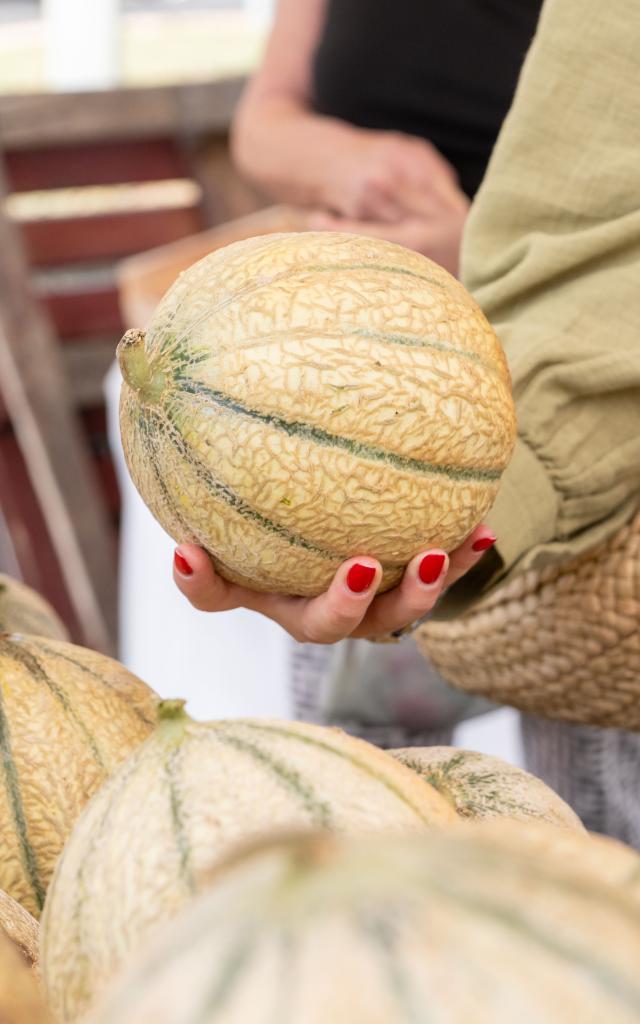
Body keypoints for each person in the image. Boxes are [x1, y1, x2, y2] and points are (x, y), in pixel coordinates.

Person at [172, 0, 640, 844]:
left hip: (568, 406)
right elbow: (264, 121)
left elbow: (605, 221)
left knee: (589, 837)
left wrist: (478, 259)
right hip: (329, 401)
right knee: (359, 814)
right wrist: (354, 162)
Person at [232, 0, 542, 277]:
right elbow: (259, 125)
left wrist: (486, 250)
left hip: (527, 295)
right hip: (349, 286)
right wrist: (346, 160)